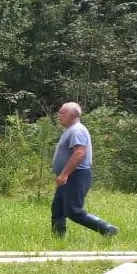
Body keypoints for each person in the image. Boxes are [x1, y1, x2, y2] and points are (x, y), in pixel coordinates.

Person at [51, 101, 118, 237]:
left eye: (62, 113)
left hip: (76, 175)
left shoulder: (77, 130)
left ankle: (107, 229)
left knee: (73, 211)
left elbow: (79, 153)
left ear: (72, 115)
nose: (59, 115)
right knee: (58, 208)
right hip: (70, 176)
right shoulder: (70, 130)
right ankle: (57, 239)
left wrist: (64, 174)